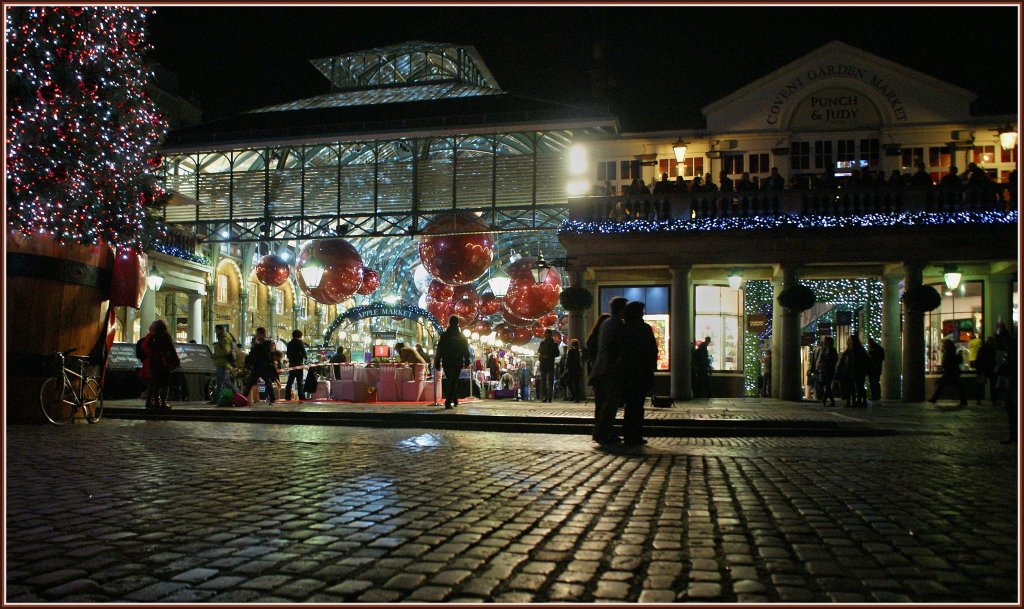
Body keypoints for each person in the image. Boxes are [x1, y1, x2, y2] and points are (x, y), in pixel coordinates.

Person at [589, 297, 628, 444]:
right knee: (611, 401)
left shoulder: (606, 323)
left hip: (601, 368)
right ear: (621, 309)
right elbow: (615, 347)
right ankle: (602, 430)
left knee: (604, 402)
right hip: (609, 369)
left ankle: (603, 431)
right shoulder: (616, 324)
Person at [620, 301, 658, 446]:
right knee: (637, 405)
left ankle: (629, 434)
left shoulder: (625, 329)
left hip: (627, 372)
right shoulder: (643, 329)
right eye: (641, 311)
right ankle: (634, 434)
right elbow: (652, 351)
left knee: (630, 405)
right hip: (640, 372)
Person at [138, 319, 179, 411]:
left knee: (156, 382)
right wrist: (176, 360)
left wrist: (152, 354)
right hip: (164, 361)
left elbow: (146, 346)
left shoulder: (153, 337)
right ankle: (163, 402)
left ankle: (156, 402)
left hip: (154, 361)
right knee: (165, 382)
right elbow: (171, 348)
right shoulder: (166, 336)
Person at [435, 315, 471, 409]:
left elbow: (439, 349)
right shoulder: (460, 335)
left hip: (446, 360)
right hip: (457, 360)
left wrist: (437, 360)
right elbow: (465, 349)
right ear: (457, 323)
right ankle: (448, 401)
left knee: (451, 380)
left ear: (449, 323)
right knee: (453, 380)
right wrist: (467, 359)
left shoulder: (444, 335)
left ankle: (454, 399)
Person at [242, 327, 277, 404]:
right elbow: (252, 354)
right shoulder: (256, 343)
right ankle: (243, 398)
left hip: (264, 366)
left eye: (258, 334)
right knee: (250, 383)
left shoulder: (267, 343)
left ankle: (273, 398)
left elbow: (266, 351)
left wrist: (257, 345)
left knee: (267, 382)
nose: (257, 335)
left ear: (262, 334)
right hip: (256, 366)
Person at [929, 338, 966, 406]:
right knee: (958, 387)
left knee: (942, 386)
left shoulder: (948, 352)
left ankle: (934, 398)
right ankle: (964, 400)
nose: (943, 345)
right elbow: (958, 361)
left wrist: (944, 365)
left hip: (950, 372)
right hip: (953, 372)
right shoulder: (953, 351)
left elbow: (946, 362)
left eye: (944, 344)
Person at [210, 324, 238, 402]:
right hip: (222, 363)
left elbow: (227, 351)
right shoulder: (222, 338)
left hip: (223, 363)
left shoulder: (224, 339)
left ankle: (237, 392)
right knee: (220, 382)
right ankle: (216, 399)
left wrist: (216, 355)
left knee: (223, 381)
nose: (215, 332)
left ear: (220, 330)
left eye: (216, 330)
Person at [843, 335, 870, 407]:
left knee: (859, 386)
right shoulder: (850, 350)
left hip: (857, 371)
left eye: (849, 339)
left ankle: (861, 401)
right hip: (851, 371)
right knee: (853, 387)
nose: (848, 341)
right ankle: (855, 401)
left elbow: (861, 360)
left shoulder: (858, 349)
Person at [536, 329, 559, 403]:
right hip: (543, 364)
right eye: (545, 333)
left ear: (550, 334)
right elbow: (539, 351)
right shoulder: (542, 343)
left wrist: (549, 355)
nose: (545, 335)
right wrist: (541, 357)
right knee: (543, 382)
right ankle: (544, 396)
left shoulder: (554, 343)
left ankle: (549, 397)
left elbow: (557, 353)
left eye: (546, 333)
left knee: (550, 382)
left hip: (550, 364)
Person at [974, 336, 997, 406]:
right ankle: (993, 400)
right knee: (991, 384)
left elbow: (978, 358)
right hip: (988, 369)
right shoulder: (992, 348)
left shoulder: (983, 348)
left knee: (981, 385)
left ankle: (978, 400)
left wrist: (978, 369)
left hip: (983, 369)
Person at [284, 330, 307, 401]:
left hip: (292, 364)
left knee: (290, 380)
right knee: (299, 381)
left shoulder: (289, 343)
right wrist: (304, 357)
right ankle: (301, 396)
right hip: (299, 364)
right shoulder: (300, 342)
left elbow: (288, 354)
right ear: (300, 335)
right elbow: (304, 352)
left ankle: (287, 395)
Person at [816, 337, 838, 407]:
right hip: (823, 370)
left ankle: (826, 400)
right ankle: (829, 400)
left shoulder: (832, 350)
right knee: (825, 385)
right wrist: (820, 365)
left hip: (829, 370)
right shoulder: (824, 350)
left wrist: (827, 364)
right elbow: (821, 359)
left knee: (828, 385)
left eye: (825, 341)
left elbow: (834, 360)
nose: (824, 343)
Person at [562, 339, 584, 403]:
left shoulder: (571, 351)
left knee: (569, 382)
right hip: (578, 369)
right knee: (576, 384)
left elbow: (568, 361)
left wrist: (566, 368)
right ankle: (576, 397)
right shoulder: (579, 351)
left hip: (571, 369)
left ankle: (574, 396)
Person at [866, 337, 885, 402]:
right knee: (876, 382)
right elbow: (882, 358)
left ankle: (875, 396)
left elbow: (870, 358)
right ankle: (877, 395)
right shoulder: (880, 348)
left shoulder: (872, 349)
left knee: (873, 382)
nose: (868, 344)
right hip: (877, 368)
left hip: (873, 368)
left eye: (868, 342)